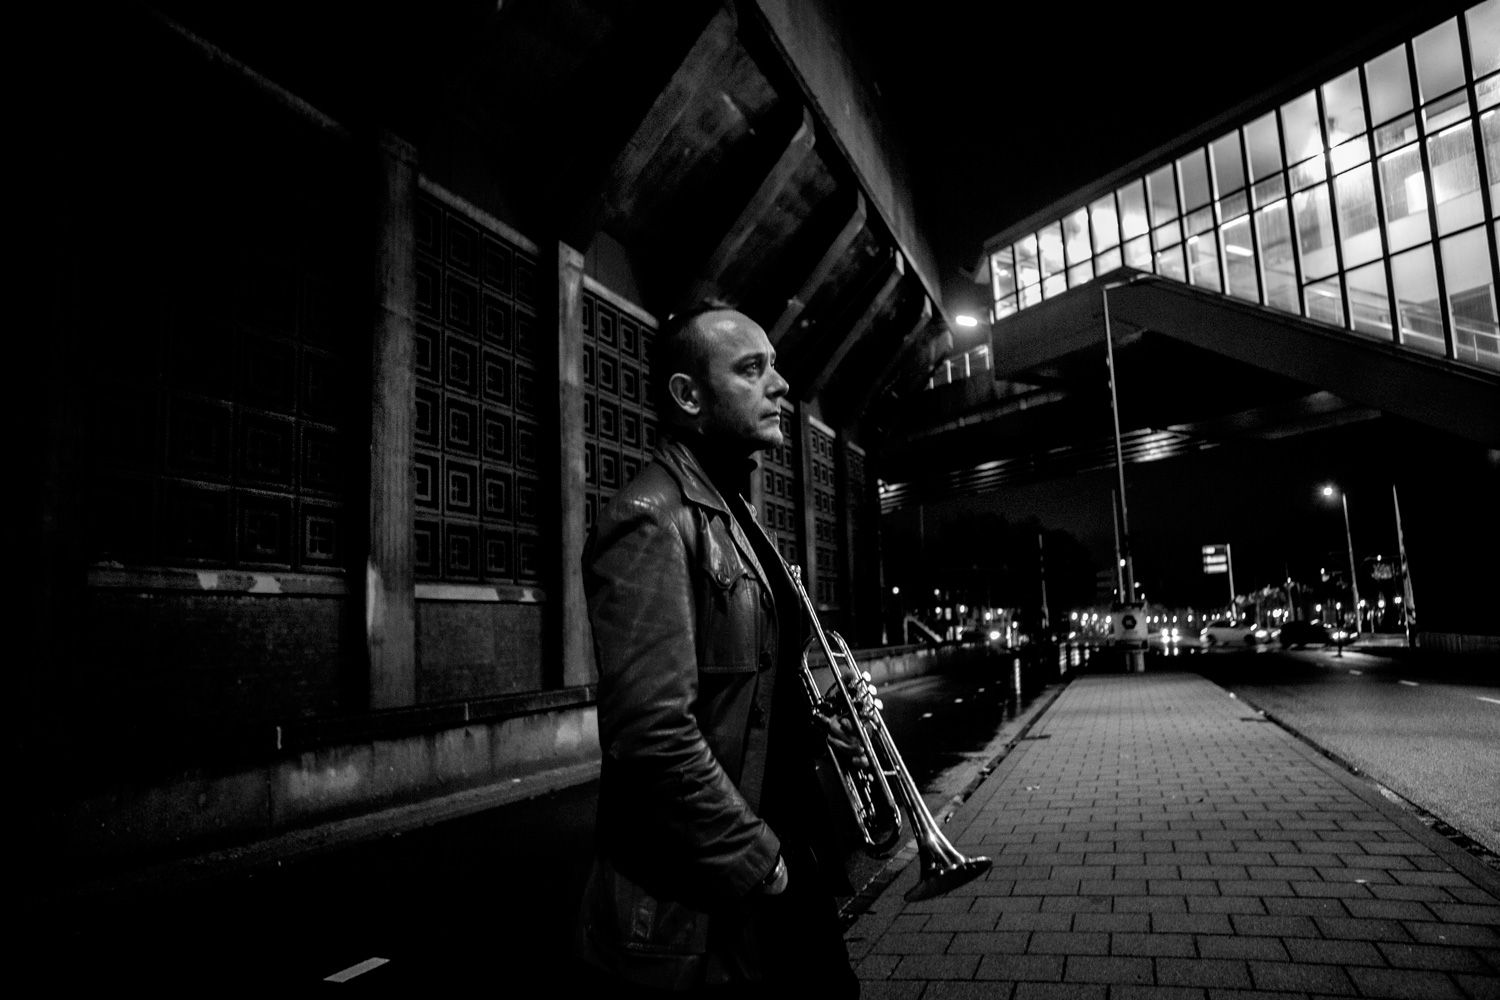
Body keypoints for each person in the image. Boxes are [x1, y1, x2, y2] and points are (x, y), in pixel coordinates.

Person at [574, 303, 860, 998]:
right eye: (752, 368)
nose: (780, 384)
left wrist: (815, 728)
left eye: (774, 366)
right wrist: (764, 865)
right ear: (689, 395)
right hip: (726, 890)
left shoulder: (733, 511)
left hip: (781, 858)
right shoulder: (651, 519)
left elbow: (747, 697)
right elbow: (652, 737)